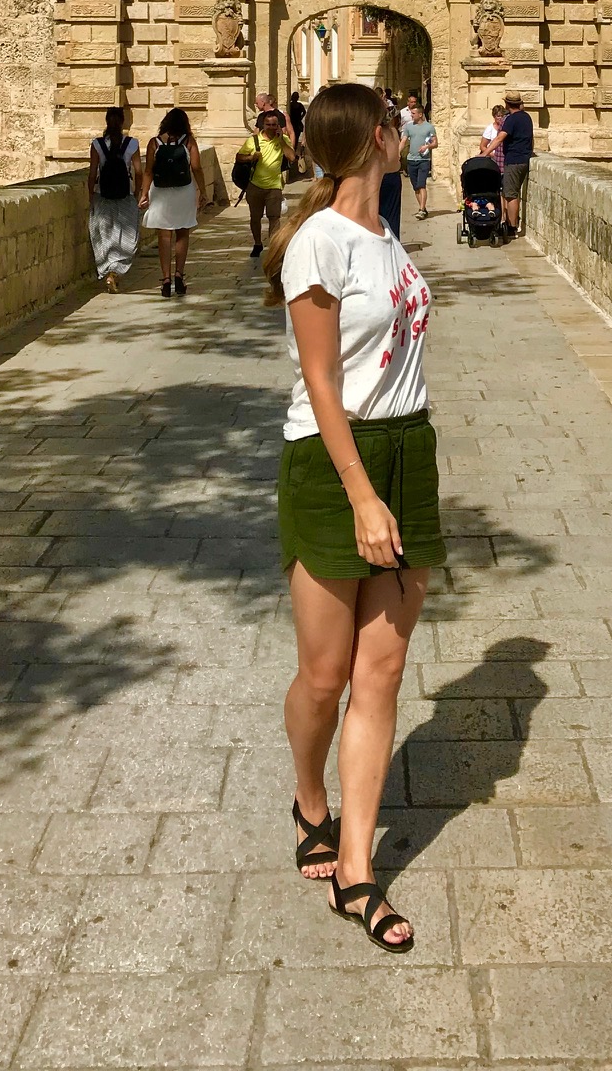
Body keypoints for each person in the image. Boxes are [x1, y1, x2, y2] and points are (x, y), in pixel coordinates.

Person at [264, 82, 444, 953]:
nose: (406, 134)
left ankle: (358, 871)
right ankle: (309, 798)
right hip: (333, 466)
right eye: (399, 126)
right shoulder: (317, 244)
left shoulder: (387, 242)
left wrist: (396, 483)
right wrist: (361, 494)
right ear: (380, 135)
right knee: (326, 678)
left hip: (406, 457)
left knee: (381, 676)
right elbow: (322, 384)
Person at [138, 106, 204, 299]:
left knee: (164, 236)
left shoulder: (154, 143)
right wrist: (203, 191)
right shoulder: (188, 141)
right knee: (182, 233)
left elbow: (148, 170)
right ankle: (179, 275)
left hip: (161, 192)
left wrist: (144, 194)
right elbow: (197, 167)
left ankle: (165, 279)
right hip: (184, 191)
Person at [87, 106, 140, 291]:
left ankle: (108, 270)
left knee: (104, 233)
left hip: (103, 194)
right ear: (123, 122)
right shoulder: (132, 144)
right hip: (126, 195)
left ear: (106, 122)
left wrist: (90, 193)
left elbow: (93, 171)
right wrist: (138, 191)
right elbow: (138, 171)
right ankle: (115, 272)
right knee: (128, 234)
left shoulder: (97, 144)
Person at [240, 107, 289, 256]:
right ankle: (257, 243)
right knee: (255, 217)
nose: (272, 128)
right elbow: (239, 157)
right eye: (269, 125)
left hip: (274, 187)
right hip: (255, 186)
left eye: (275, 125)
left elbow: (292, 157)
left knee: (274, 218)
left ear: (278, 126)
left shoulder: (283, 140)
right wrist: (250, 158)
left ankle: (273, 247)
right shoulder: (253, 141)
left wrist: (281, 141)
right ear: (263, 125)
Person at [495, 90, 534, 240]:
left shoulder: (511, 119)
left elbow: (500, 138)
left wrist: (485, 153)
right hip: (524, 158)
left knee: (511, 194)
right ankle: (511, 224)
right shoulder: (527, 117)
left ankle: (512, 227)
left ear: (507, 104)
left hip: (514, 160)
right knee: (512, 192)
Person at [402, 99, 438, 220]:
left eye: (413, 114)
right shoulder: (408, 127)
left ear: (420, 114)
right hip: (411, 160)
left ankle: (421, 209)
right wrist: (397, 152)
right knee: (416, 187)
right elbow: (403, 141)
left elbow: (435, 143)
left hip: (424, 160)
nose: (411, 116)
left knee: (422, 185)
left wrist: (427, 146)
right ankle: (423, 208)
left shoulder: (429, 128)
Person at [480, 102, 506, 174]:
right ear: (494, 116)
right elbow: (482, 146)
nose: (500, 118)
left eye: (502, 116)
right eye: (498, 116)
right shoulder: (490, 129)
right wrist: (492, 154)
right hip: (492, 159)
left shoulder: (506, 127)